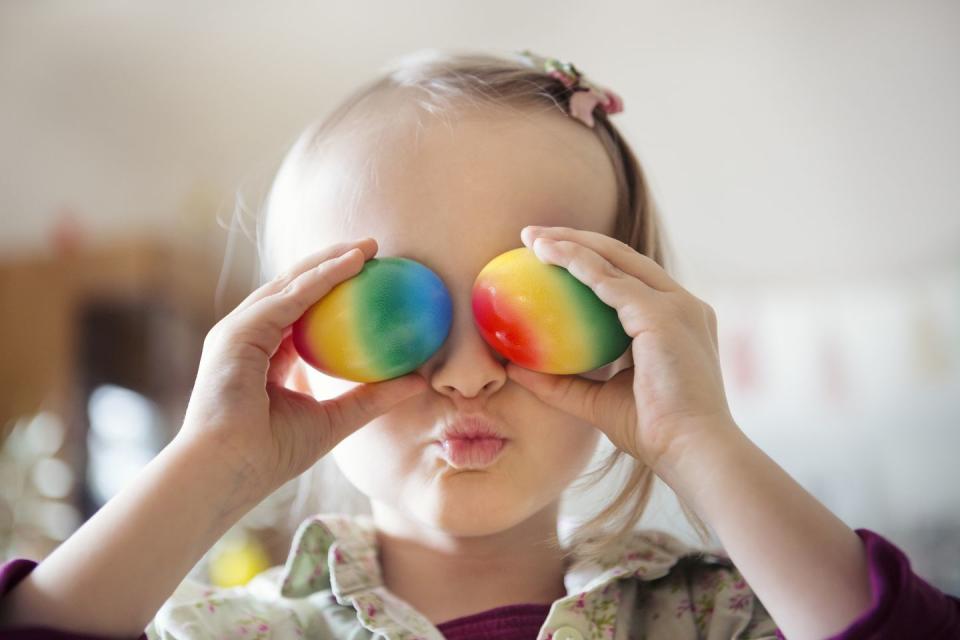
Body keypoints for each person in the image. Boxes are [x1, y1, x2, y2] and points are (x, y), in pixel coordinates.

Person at [1, 48, 957, 640]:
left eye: (536, 308)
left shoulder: (725, 618)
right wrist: (210, 463)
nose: (466, 373)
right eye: (385, 313)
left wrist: (703, 446)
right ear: (291, 345)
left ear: (630, 340)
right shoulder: (229, 632)